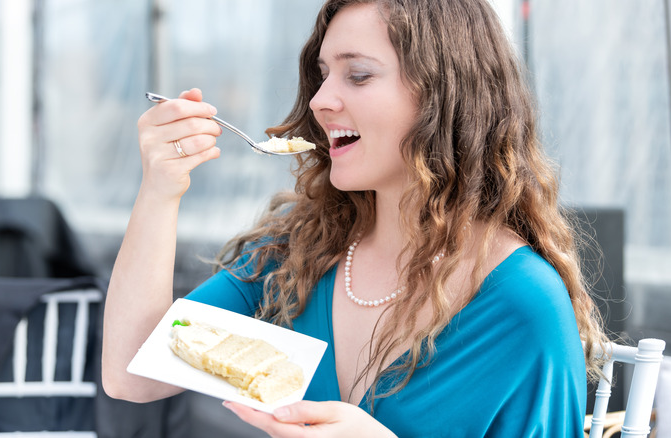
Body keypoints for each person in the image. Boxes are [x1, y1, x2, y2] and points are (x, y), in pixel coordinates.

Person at [102, 0, 607, 436]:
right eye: (323, 75)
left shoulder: (523, 305)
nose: (320, 102)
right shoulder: (298, 252)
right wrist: (160, 191)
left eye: (358, 74)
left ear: (445, 95)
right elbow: (132, 373)